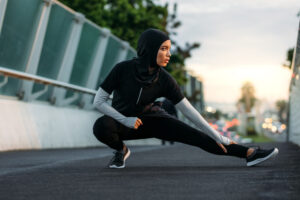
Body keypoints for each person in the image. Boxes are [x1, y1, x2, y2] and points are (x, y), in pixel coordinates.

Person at [92, 29, 278, 169]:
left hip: (154, 119)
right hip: (123, 122)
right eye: (163, 49)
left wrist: (216, 134)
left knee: (197, 137)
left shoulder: (164, 79)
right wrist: (125, 120)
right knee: (101, 127)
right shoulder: (122, 69)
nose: (169, 55)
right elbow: (98, 101)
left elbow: (189, 111)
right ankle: (121, 151)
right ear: (149, 49)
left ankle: (249, 153)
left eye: (169, 49)